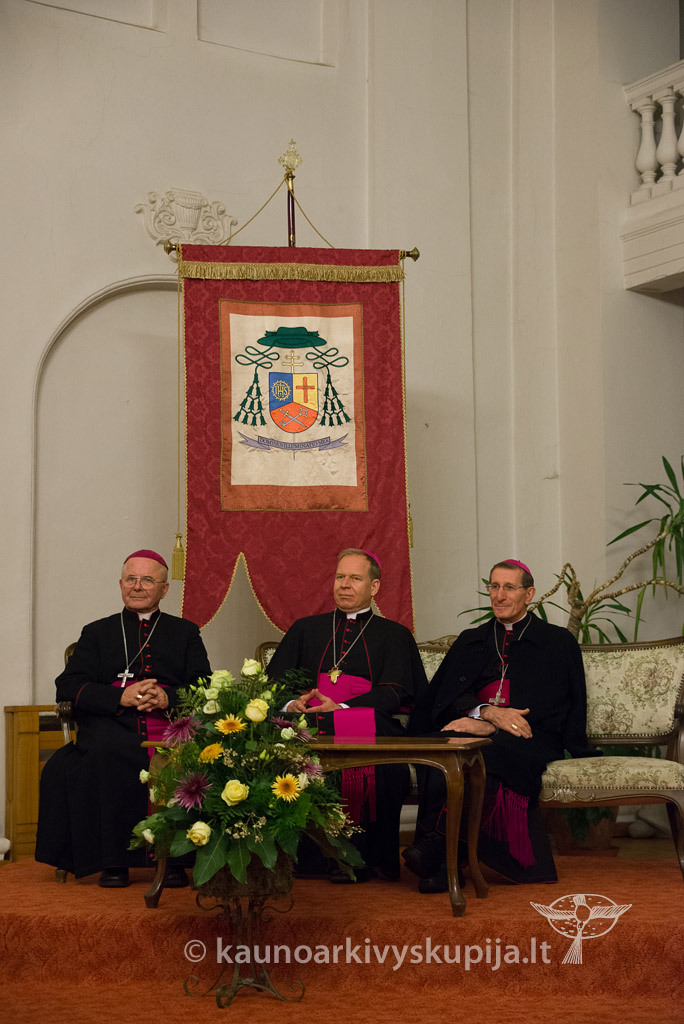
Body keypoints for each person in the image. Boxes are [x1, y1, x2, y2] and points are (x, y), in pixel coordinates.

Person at [405, 559, 597, 891]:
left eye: (509, 587)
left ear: (529, 594)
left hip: (531, 734)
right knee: (447, 749)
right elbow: (444, 696)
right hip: (474, 724)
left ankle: (437, 851)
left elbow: (559, 704)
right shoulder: (471, 640)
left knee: (486, 756)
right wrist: (485, 713)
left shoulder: (556, 641)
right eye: (494, 586)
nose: (499, 595)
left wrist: (495, 727)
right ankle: (445, 858)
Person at [35, 549, 211, 887]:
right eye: (131, 579)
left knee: (183, 757)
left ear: (164, 589)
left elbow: (203, 684)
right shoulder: (96, 632)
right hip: (111, 723)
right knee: (107, 754)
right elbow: (67, 686)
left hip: (168, 723)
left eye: (147, 580)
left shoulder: (185, 632)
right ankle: (112, 861)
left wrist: (168, 697)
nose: (137, 586)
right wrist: (120, 696)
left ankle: (173, 858)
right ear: (120, 584)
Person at [266, 548, 428, 882]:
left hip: (367, 721)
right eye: (340, 577)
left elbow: (396, 692)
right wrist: (291, 703)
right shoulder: (305, 629)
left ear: (374, 587)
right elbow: (273, 684)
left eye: (355, 578)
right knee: (280, 736)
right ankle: (306, 859)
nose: (344, 584)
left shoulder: (394, 634)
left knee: (379, 748)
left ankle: (362, 859)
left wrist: (341, 708)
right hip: (309, 719)